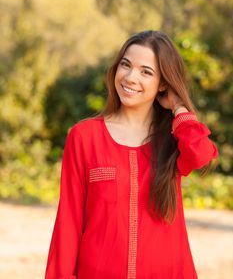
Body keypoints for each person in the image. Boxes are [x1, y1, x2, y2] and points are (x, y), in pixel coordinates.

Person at [45, 30, 219, 279]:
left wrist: (179, 107)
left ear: (163, 84)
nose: (130, 77)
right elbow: (68, 223)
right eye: (125, 65)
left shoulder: (172, 138)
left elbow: (201, 155)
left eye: (146, 72)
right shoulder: (84, 137)